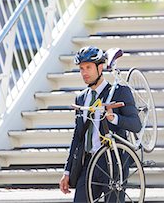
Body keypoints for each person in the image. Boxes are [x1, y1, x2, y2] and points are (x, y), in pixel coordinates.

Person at [59, 46, 142, 202]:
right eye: (81, 68)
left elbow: (136, 125)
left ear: (100, 67)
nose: (84, 72)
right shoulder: (81, 99)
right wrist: (67, 171)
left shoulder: (119, 92)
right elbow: (77, 137)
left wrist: (114, 119)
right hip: (90, 163)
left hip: (113, 163)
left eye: (88, 67)